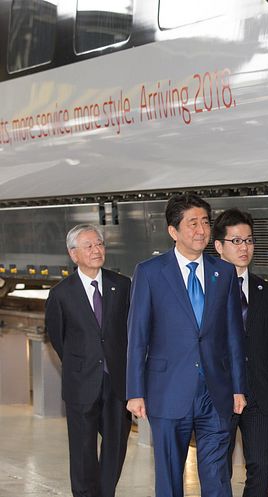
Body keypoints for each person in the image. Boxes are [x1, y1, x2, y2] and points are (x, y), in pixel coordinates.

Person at [126, 193, 247, 497]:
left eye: (205, 222)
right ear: (173, 231)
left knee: (218, 476)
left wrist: (237, 387)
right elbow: (137, 336)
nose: (201, 230)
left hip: (215, 392)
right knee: (169, 478)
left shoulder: (224, 272)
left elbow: (233, 334)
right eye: (192, 223)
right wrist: (135, 392)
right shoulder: (150, 272)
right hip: (167, 390)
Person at [45, 224, 132, 497]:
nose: (96, 250)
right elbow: (58, 339)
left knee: (116, 447)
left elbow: (130, 332)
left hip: (117, 382)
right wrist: (82, 363)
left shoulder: (122, 285)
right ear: (74, 254)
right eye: (89, 246)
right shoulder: (61, 293)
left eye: (99, 244)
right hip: (81, 383)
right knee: (83, 451)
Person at [213, 208, 268, 497]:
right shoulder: (204, 288)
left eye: (248, 240)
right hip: (219, 393)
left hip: (258, 392)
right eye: (236, 241)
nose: (244, 247)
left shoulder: (265, 290)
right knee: (219, 467)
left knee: (262, 465)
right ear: (219, 246)